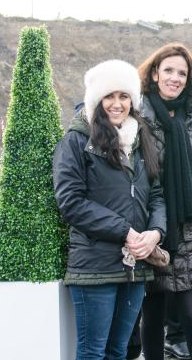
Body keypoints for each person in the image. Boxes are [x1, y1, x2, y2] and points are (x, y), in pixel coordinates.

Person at [53, 59, 166, 360]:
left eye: (124, 96)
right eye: (109, 96)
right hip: (95, 266)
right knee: (93, 352)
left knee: (119, 351)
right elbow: (71, 202)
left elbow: (156, 194)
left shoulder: (141, 139)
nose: (117, 104)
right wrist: (125, 231)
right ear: (96, 99)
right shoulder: (76, 141)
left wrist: (155, 233)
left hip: (136, 265)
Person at [137, 43, 192, 360]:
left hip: (191, 225)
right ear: (155, 73)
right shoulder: (137, 117)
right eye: (168, 70)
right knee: (153, 312)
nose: (175, 78)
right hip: (151, 227)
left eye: (182, 73)